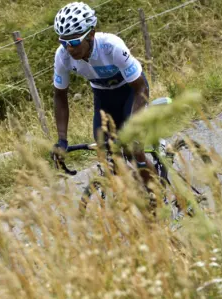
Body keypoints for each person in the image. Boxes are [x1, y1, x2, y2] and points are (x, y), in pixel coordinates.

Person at [51, 2, 155, 183]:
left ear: (91, 34)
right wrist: (62, 140)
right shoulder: (62, 56)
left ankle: (158, 196)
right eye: (64, 41)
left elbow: (141, 89)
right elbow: (60, 96)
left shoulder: (111, 46)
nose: (69, 48)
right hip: (104, 97)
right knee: (107, 153)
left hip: (132, 91)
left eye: (74, 41)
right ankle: (135, 194)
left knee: (134, 149)